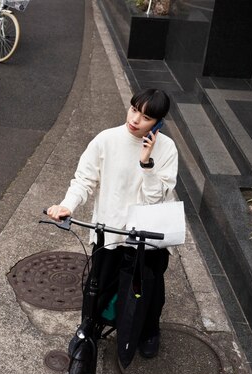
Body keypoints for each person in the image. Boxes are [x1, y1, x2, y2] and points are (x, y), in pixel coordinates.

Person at [47, 88, 178, 359]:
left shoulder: (167, 149)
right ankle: (89, 329)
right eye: (134, 110)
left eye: (146, 117)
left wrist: (147, 163)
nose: (136, 120)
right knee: (98, 287)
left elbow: (155, 199)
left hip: (146, 238)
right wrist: (67, 205)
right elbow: (84, 179)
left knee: (147, 292)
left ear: (158, 122)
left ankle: (149, 331)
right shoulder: (106, 139)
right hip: (109, 232)